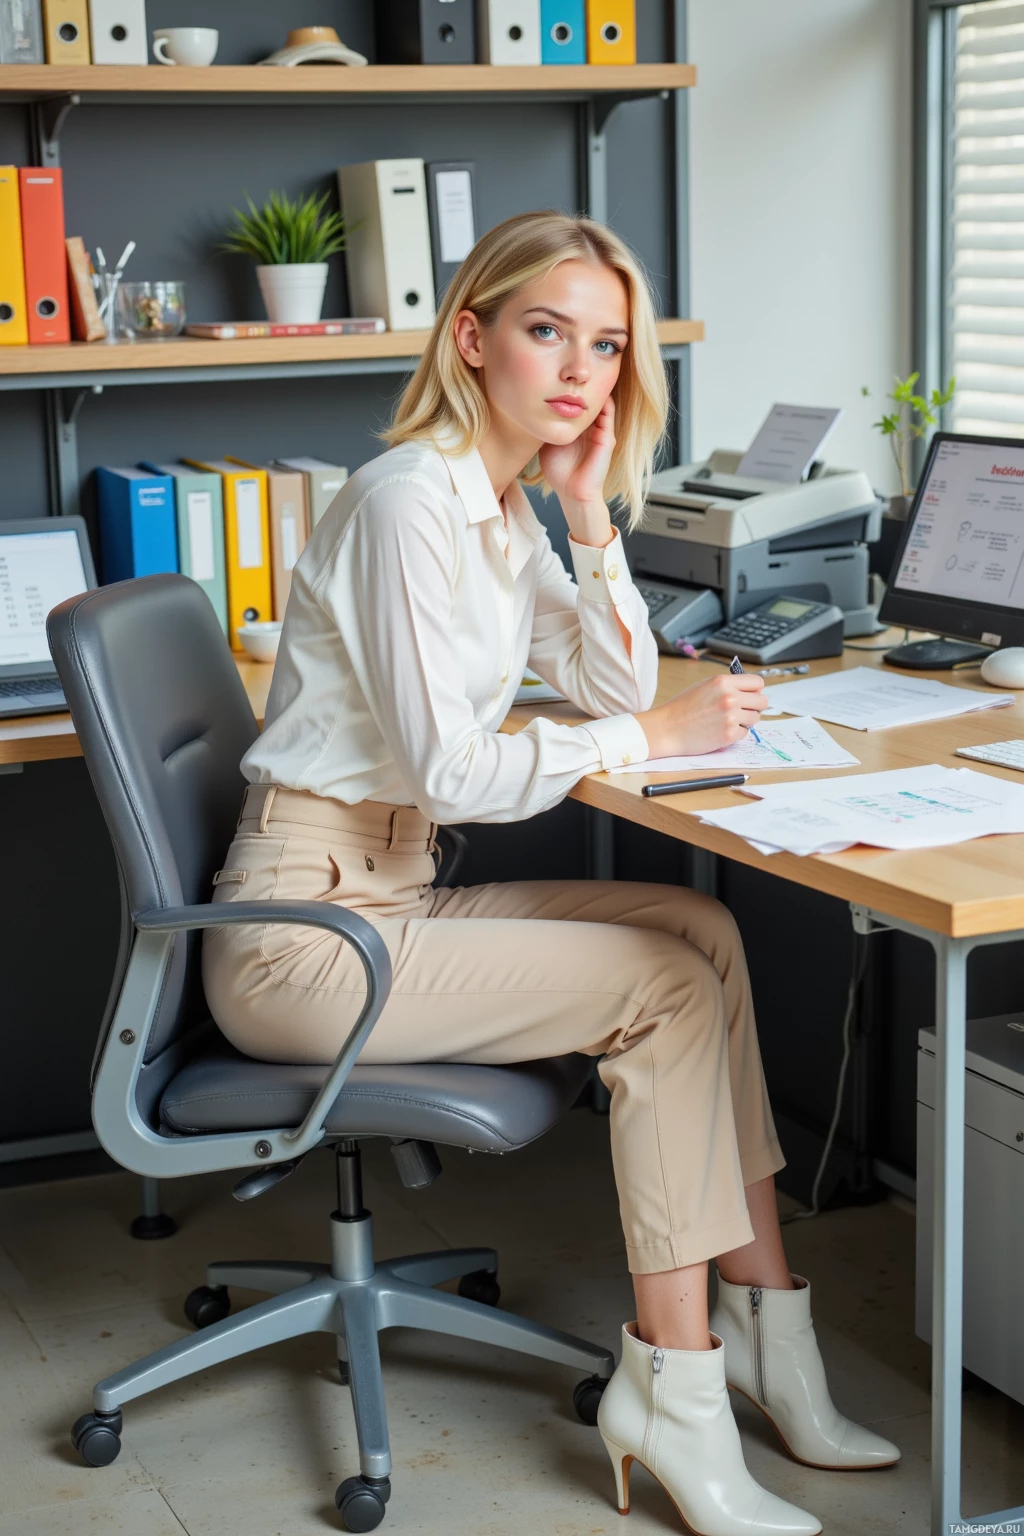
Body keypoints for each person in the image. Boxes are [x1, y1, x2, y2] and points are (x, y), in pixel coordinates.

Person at [202, 210, 899, 1534]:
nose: (581, 370)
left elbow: (615, 680)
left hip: (384, 893)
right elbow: (462, 771)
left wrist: (587, 514)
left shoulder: (502, 508)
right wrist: (649, 738)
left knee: (701, 932)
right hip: (305, 937)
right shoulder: (408, 501)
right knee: (666, 990)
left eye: (607, 344)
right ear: (472, 337)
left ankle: (771, 1340)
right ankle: (677, 1396)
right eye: (546, 331)